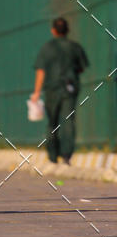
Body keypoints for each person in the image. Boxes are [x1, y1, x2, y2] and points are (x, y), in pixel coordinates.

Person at [31, 17, 89, 165]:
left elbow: (41, 71)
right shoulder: (75, 47)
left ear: (53, 31)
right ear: (67, 30)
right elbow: (81, 68)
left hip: (52, 89)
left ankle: (52, 156)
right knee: (68, 120)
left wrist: (36, 92)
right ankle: (66, 155)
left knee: (52, 121)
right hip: (70, 88)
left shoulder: (47, 48)